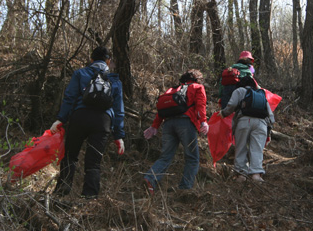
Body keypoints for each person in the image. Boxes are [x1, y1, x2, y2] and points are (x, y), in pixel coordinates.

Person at [50, 46, 125, 199]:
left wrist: (61, 119)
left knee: (70, 156)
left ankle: (61, 194)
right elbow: (119, 111)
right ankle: (89, 199)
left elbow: (69, 98)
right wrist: (119, 136)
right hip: (103, 122)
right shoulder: (115, 81)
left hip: (80, 117)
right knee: (93, 163)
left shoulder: (80, 73)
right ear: (108, 61)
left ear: (91, 60)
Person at [143, 69, 209, 194]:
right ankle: (185, 189)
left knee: (165, 156)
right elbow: (201, 106)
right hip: (185, 123)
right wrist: (203, 121)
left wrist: (155, 126)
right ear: (198, 79)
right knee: (192, 158)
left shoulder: (172, 89)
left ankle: (150, 178)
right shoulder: (197, 87)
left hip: (168, 124)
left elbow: (163, 109)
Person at [218, 75, 274, 182]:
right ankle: (256, 175)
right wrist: (269, 128)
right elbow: (270, 115)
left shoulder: (239, 91)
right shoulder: (261, 93)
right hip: (261, 123)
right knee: (257, 149)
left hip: (244, 121)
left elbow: (231, 105)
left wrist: (223, 113)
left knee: (241, 147)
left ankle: (241, 175)